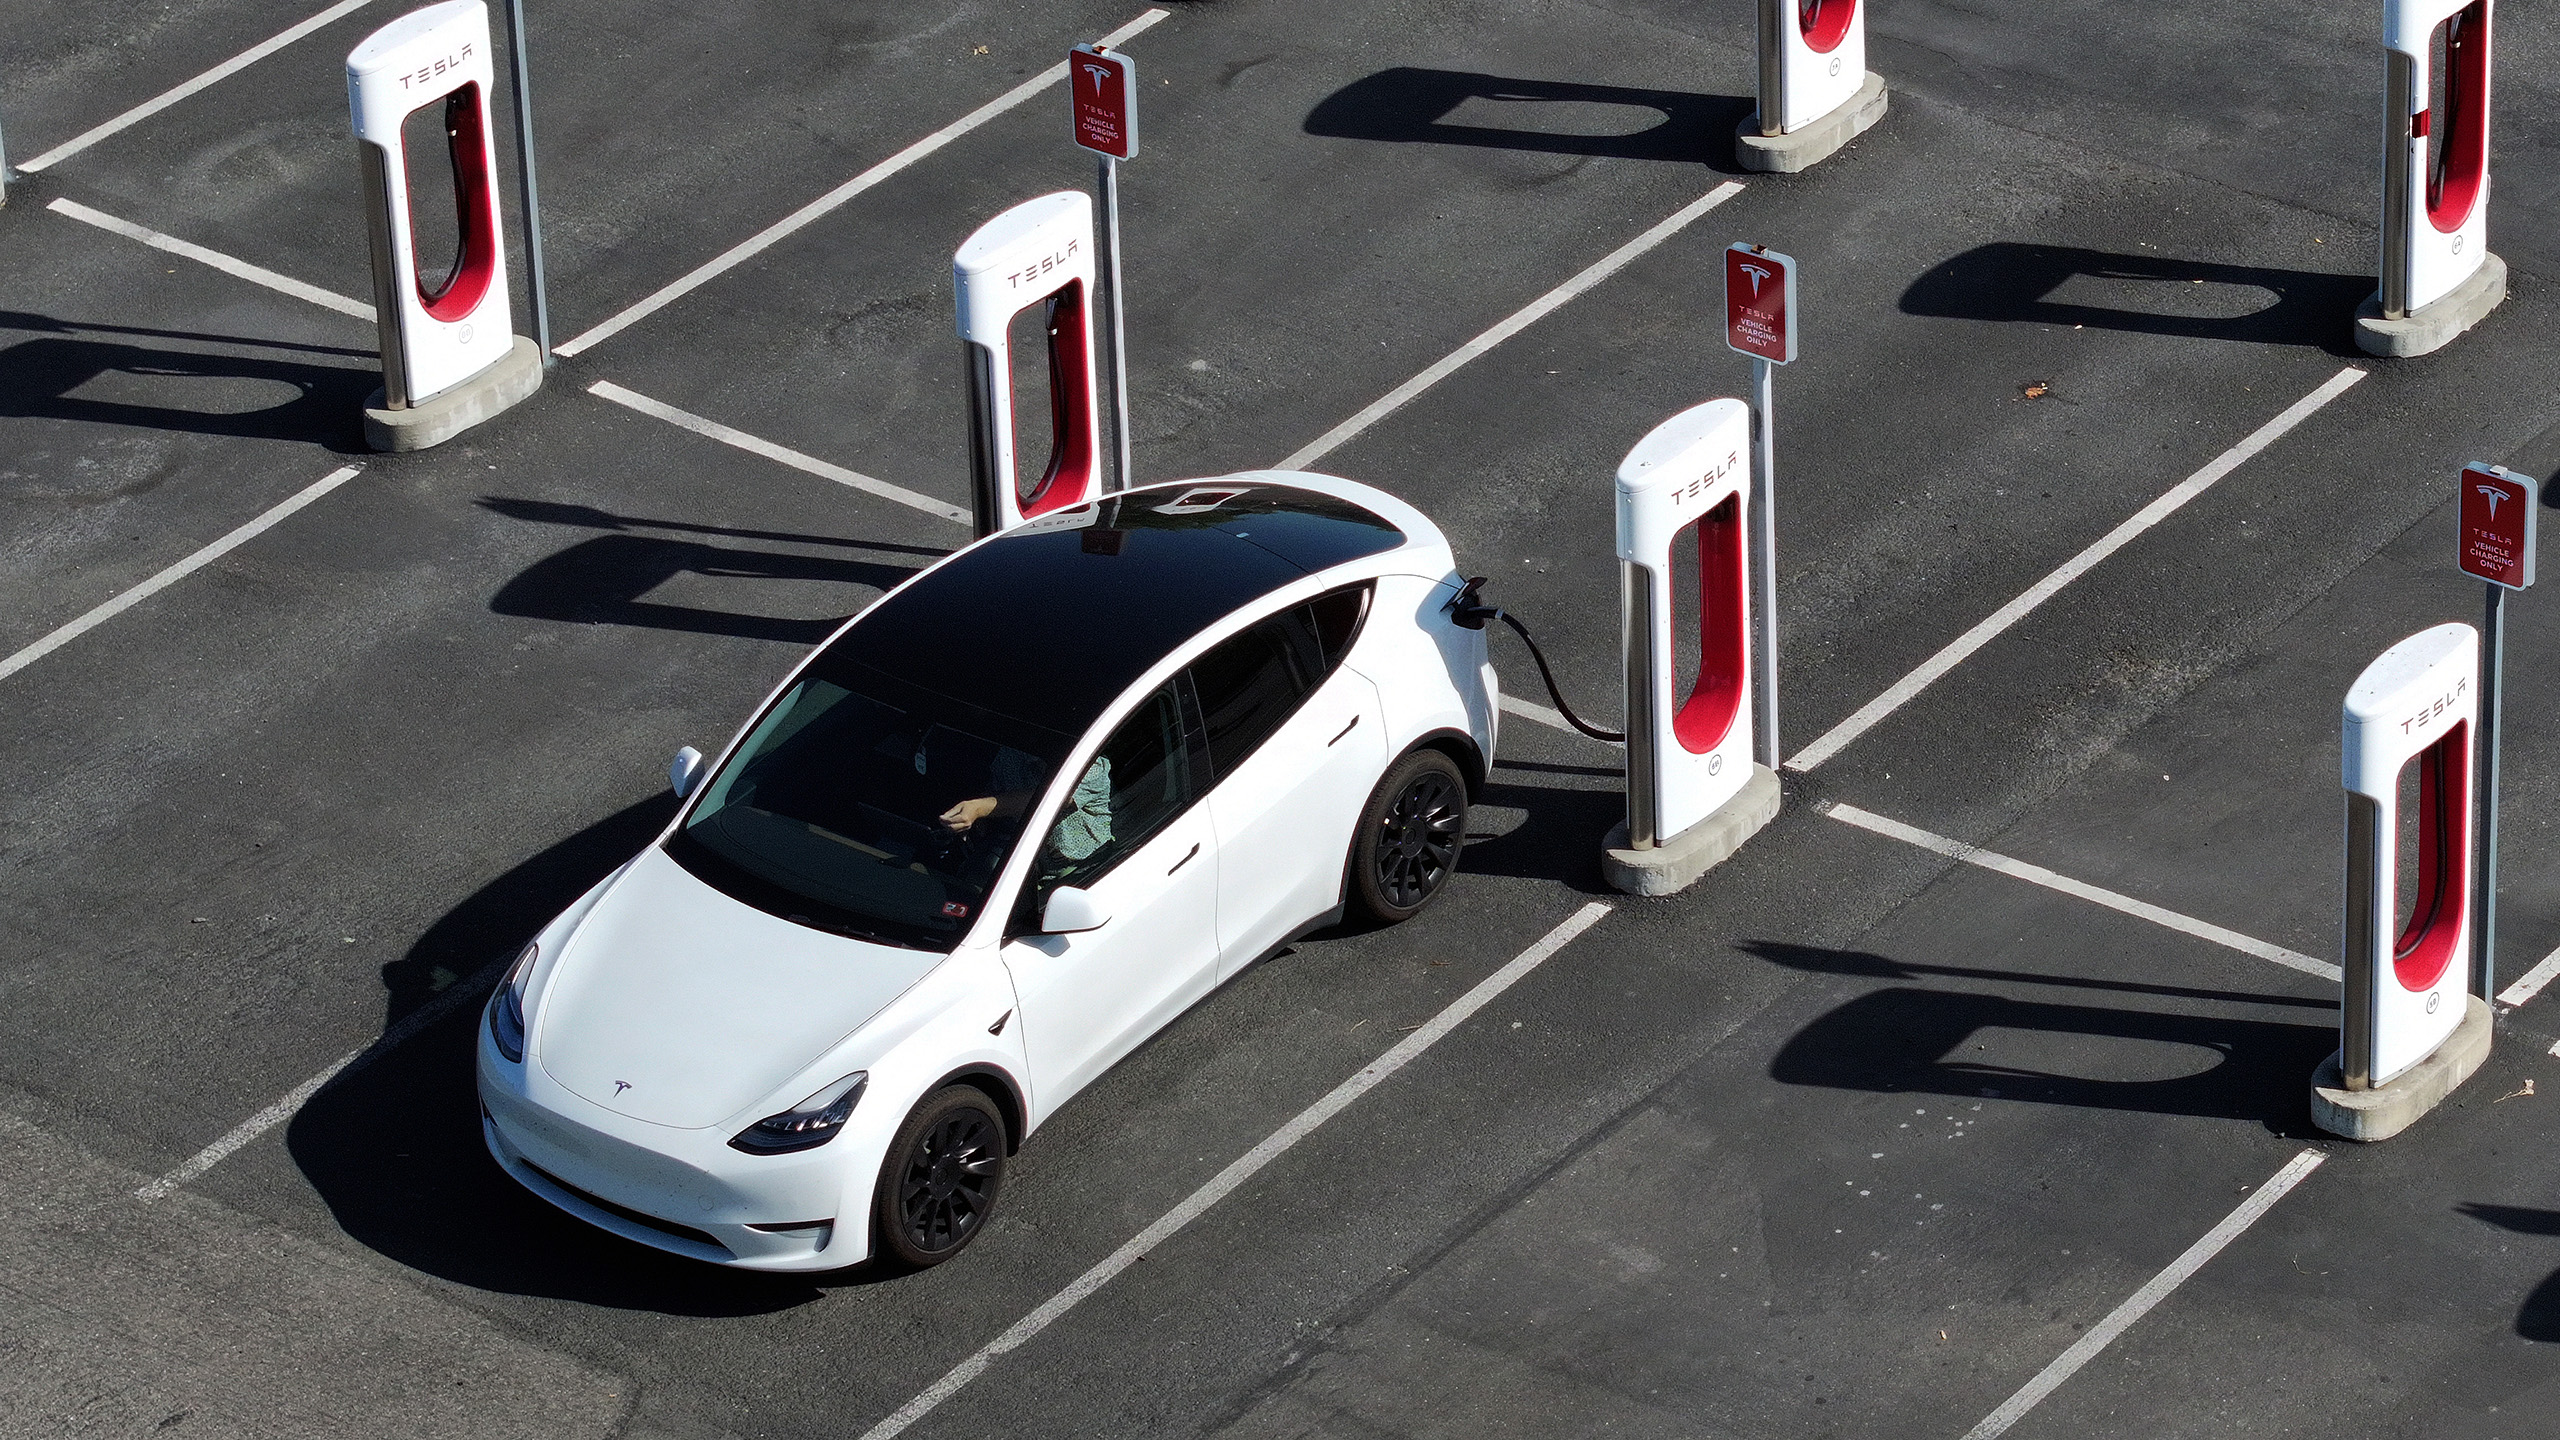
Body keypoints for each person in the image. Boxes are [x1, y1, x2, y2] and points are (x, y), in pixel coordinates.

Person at [940, 750, 1113, 863]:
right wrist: (971, 823)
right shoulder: (1010, 756)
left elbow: (1047, 801)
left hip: (1085, 868)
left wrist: (978, 808)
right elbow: (994, 793)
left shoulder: (1091, 764)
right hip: (1021, 860)